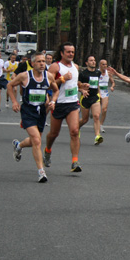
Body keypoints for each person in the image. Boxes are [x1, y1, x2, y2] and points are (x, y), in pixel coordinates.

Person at [9, 52, 59, 183]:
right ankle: (41, 172)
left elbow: (56, 90)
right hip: (28, 111)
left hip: (41, 111)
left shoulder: (48, 76)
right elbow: (10, 85)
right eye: (39, 61)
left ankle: (18, 146)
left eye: (43, 61)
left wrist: (53, 101)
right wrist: (14, 101)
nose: (42, 63)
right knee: (37, 140)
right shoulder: (24, 76)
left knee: (34, 141)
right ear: (32, 64)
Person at [43, 42, 83, 173]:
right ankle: (48, 150)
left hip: (72, 103)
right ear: (62, 53)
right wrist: (62, 79)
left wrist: (82, 87)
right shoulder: (55, 67)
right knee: (54, 134)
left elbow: (74, 84)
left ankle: (75, 161)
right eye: (68, 52)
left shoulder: (76, 66)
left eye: (72, 52)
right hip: (58, 103)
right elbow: (47, 85)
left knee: (75, 131)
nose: (71, 54)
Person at [78, 55, 103, 146]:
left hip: (95, 97)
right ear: (86, 63)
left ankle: (97, 137)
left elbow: (98, 84)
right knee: (85, 119)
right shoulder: (83, 74)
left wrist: (100, 94)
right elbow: (77, 86)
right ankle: (77, 128)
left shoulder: (98, 73)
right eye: (91, 60)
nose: (93, 62)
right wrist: (82, 90)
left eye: (94, 60)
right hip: (85, 98)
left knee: (96, 116)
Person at [98, 59, 114, 133]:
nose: (105, 66)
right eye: (103, 64)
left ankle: (101, 125)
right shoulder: (97, 73)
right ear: (100, 65)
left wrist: (112, 87)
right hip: (97, 91)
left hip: (105, 92)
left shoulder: (108, 73)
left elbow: (113, 82)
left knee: (104, 109)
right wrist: (98, 93)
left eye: (106, 64)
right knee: (97, 111)